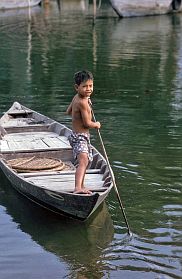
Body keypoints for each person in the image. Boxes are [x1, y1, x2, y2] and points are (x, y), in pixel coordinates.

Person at [66, 70, 101, 194]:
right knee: (83, 162)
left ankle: (81, 185)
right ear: (77, 87)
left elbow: (68, 111)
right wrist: (96, 124)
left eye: (90, 86)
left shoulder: (77, 98)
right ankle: (77, 187)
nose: (88, 89)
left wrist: (78, 113)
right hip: (80, 137)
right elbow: (87, 123)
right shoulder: (83, 102)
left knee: (85, 161)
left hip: (77, 135)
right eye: (84, 86)